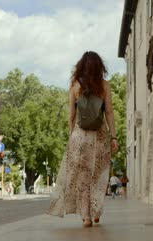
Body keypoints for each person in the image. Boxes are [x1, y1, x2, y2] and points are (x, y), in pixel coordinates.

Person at [48, 51, 118, 228]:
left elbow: (71, 116)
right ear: (99, 66)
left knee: (83, 177)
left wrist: (72, 136)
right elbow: (108, 112)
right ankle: (96, 211)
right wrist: (114, 136)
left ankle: (85, 216)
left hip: (80, 136)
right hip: (99, 135)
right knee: (99, 175)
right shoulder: (105, 85)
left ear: (81, 67)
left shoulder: (75, 86)